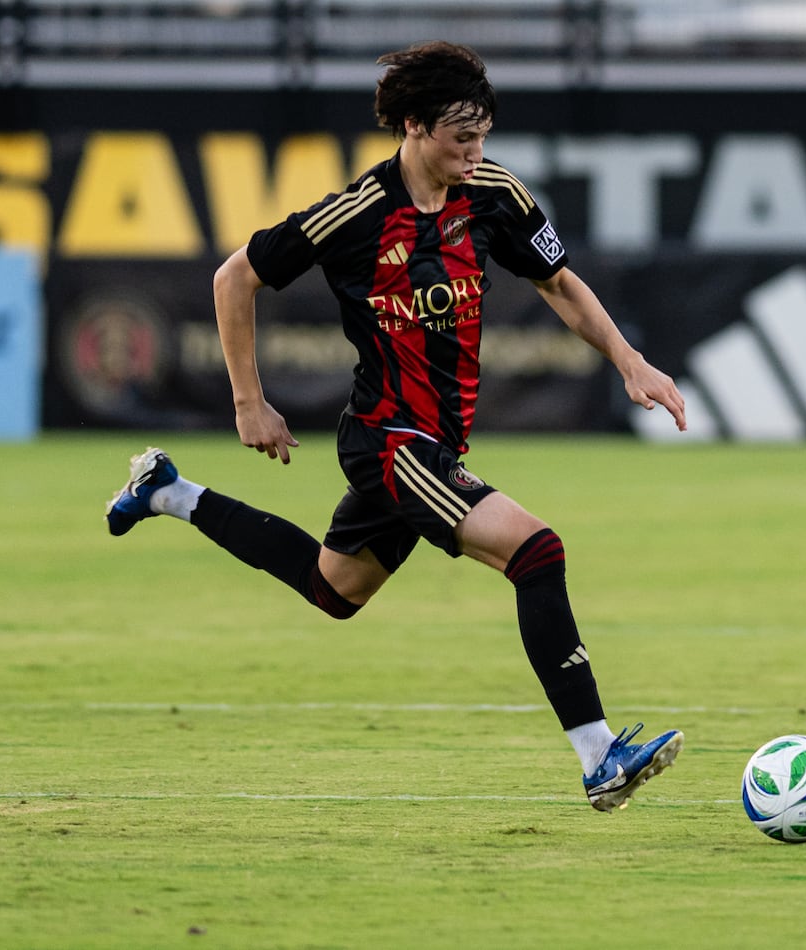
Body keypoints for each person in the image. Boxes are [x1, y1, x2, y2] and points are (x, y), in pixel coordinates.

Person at [106, 41, 687, 813]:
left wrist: (628, 360)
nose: (475, 154)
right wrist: (249, 401)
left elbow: (558, 282)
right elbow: (234, 276)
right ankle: (599, 756)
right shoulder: (356, 213)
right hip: (389, 441)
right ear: (414, 126)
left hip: (435, 443)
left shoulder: (494, 193)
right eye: (461, 138)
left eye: (483, 137)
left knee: (333, 589)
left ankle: (168, 492)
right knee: (537, 552)